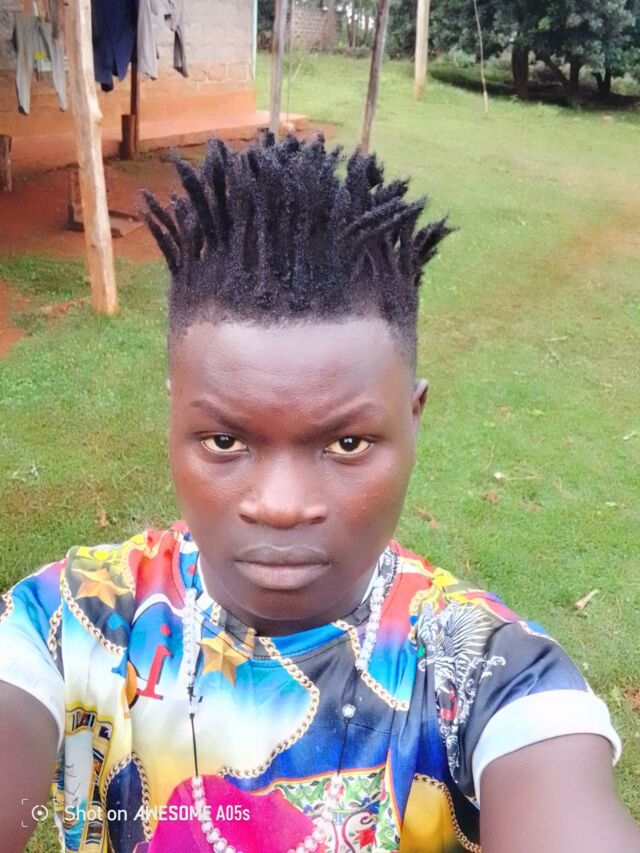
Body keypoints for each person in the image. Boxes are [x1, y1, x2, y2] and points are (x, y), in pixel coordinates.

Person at [0, 134, 638, 853]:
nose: (280, 504)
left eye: (347, 444)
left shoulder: (484, 673)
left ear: (413, 418)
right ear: (175, 414)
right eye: (224, 440)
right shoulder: (65, 624)